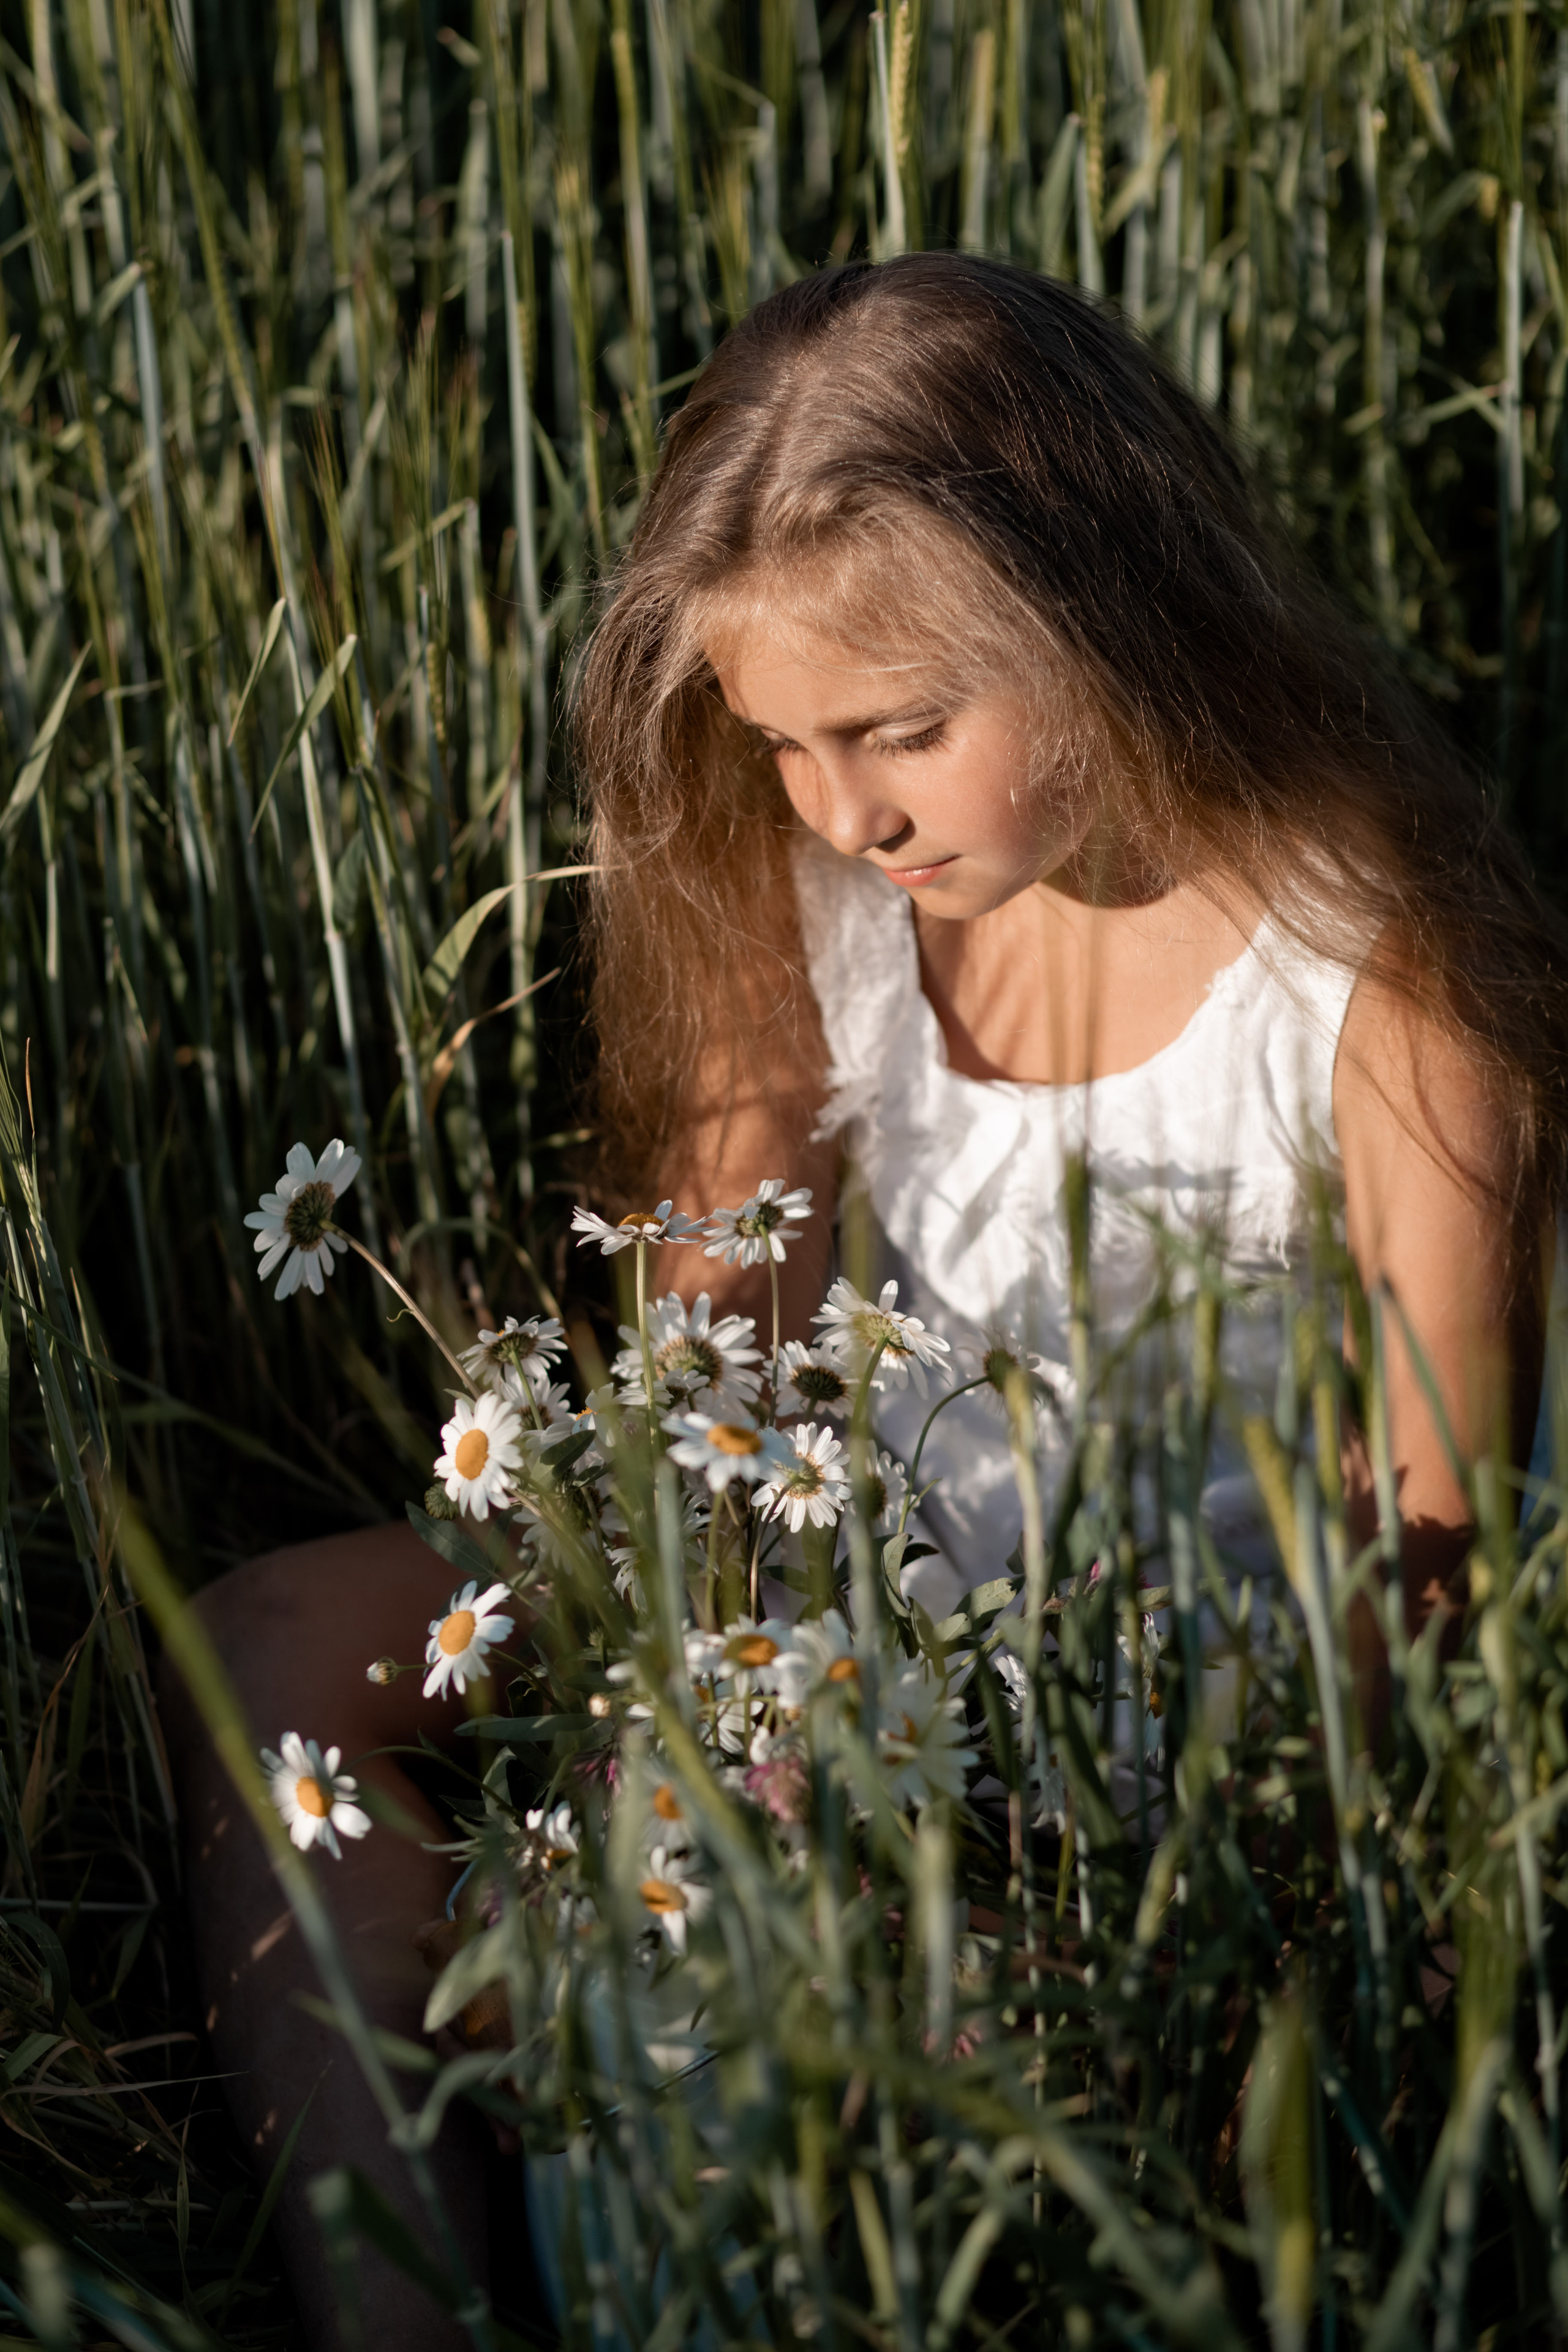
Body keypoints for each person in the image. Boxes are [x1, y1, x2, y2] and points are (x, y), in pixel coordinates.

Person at [163, 254, 1567, 2348]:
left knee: (819, 2010)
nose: (845, 807)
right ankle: (409, 2306)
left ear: (1108, 618)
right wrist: (724, 1698)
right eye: (785, 738)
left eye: (905, 730)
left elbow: (1424, 1570)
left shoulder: (1385, 984)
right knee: (260, 1648)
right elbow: (707, 1390)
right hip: (857, 1590)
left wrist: (1051, 1847)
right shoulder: (806, 878)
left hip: (1190, 1703)